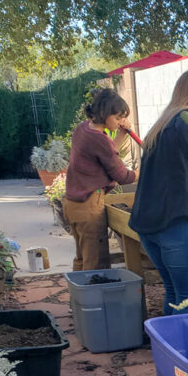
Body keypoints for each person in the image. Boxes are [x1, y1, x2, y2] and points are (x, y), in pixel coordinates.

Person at [130, 69, 188, 315]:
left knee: (174, 293)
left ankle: (166, 351)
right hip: (179, 223)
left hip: (151, 227)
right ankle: (182, 352)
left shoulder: (161, 126)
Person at [64, 88, 137, 270]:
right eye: (118, 117)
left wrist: (120, 135)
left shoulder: (83, 128)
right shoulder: (99, 140)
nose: (121, 121)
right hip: (89, 204)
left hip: (73, 203)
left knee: (82, 257)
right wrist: (141, 174)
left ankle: (79, 296)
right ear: (105, 114)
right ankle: (95, 297)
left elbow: (107, 155)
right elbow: (121, 176)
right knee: (95, 262)